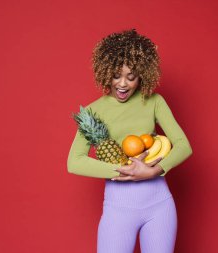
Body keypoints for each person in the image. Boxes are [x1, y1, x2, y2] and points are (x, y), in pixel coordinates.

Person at [67, 28, 193, 253]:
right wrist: (125, 170)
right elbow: (74, 162)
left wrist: (155, 171)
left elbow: (184, 145)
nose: (122, 84)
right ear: (106, 72)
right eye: (116, 75)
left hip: (159, 205)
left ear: (142, 74)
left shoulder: (154, 101)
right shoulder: (95, 110)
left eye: (131, 77)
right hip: (119, 208)